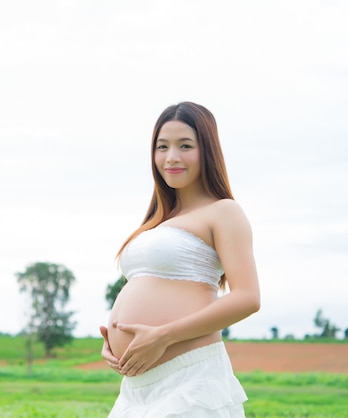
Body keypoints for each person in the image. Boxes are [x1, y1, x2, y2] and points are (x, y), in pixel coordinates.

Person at [100, 101, 260, 417]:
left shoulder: (223, 211)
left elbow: (248, 298)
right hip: (138, 389)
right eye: (162, 147)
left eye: (184, 145)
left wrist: (162, 336)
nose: (171, 157)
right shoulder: (158, 221)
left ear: (207, 150)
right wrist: (116, 343)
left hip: (190, 378)